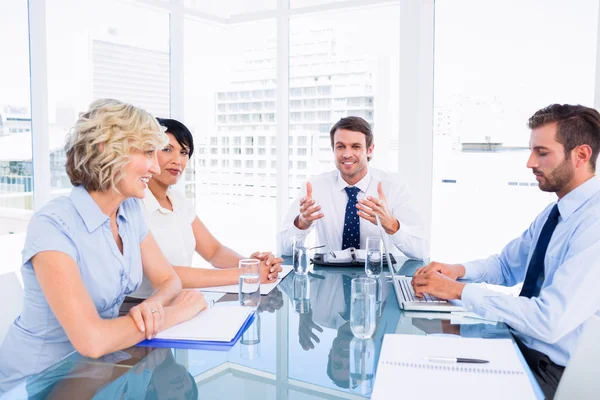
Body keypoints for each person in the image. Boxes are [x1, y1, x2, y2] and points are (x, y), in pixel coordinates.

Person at [0, 99, 207, 392]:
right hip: (38, 383)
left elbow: (168, 278)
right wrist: (174, 314)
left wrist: (152, 308)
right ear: (104, 149)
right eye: (148, 152)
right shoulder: (53, 224)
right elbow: (92, 339)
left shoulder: (129, 212)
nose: (156, 165)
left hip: (99, 370)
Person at [412, 104, 600, 399]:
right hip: (519, 344)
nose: (530, 163)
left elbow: (548, 321)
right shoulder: (555, 213)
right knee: (424, 357)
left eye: (542, 152)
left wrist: (458, 292)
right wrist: (457, 271)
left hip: (550, 371)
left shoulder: (594, 225)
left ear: (581, 155)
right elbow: (505, 265)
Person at [128, 118, 283, 300]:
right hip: (140, 306)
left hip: (181, 302)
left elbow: (214, 251)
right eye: (167, 149)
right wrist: (247, 273)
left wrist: (254, 265)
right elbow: (165, 275)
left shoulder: (178, 201)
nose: (177, 160)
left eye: (184, 152)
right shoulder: (133, 204)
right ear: (149, 153)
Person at [278, 116, 428, 260]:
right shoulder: (314, 187)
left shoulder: (394, 188)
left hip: (378, 277)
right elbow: (284, 249)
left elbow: (421, 251)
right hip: (328, 281)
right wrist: (301, 224)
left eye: (356, 147)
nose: (347, 154)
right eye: (340, 146)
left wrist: (391, 225)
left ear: (370, 150)